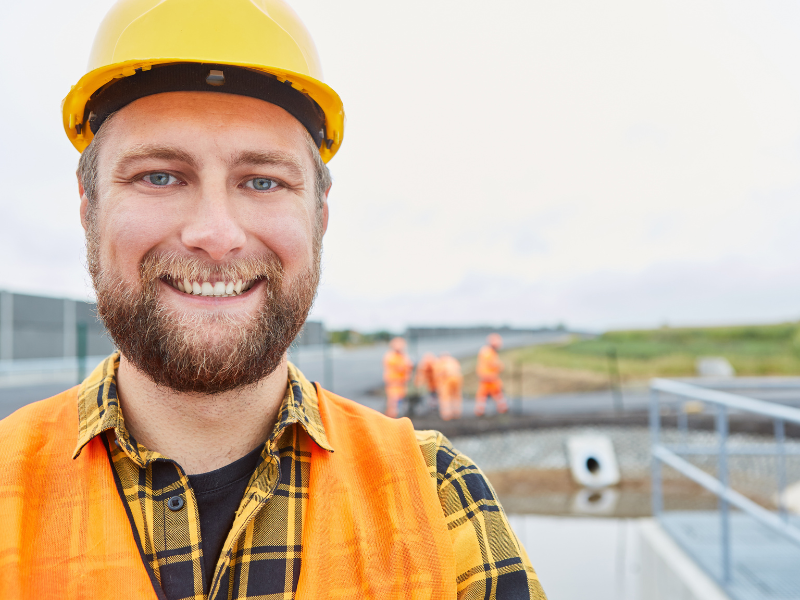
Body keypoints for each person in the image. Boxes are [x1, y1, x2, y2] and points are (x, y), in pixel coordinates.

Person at [0, 1, 546, 598]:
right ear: (88, 207)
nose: (216, 233)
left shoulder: (439, 500)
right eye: (160, 176)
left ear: (320, 217)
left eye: (263, 181)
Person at [476, 333, 509, 416]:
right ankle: (502, 409)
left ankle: (480, 411)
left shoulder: (484, 350)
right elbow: (494, 364)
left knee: (483, 395)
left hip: (484, 377)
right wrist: (501, 367)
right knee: (497, 393)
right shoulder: (489, 352)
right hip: (491, 377)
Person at [383, 337, 414, 417]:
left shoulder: (403, 356)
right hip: (393, 382)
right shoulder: (390, 356)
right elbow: (398, 367)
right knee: (393, 399)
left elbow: (409, 366)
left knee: (400, 398)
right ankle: (392, 415)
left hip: (401, 382)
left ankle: (399, 414)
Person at [435, 353, 464, 421]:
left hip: (448, 379)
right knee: (456, 395)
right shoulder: (454, 361)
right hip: (458, 378)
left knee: (445, 396)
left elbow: (440, 373)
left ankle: (446, 414)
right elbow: (459, 369)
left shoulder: (442, 362)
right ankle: (456, 412)